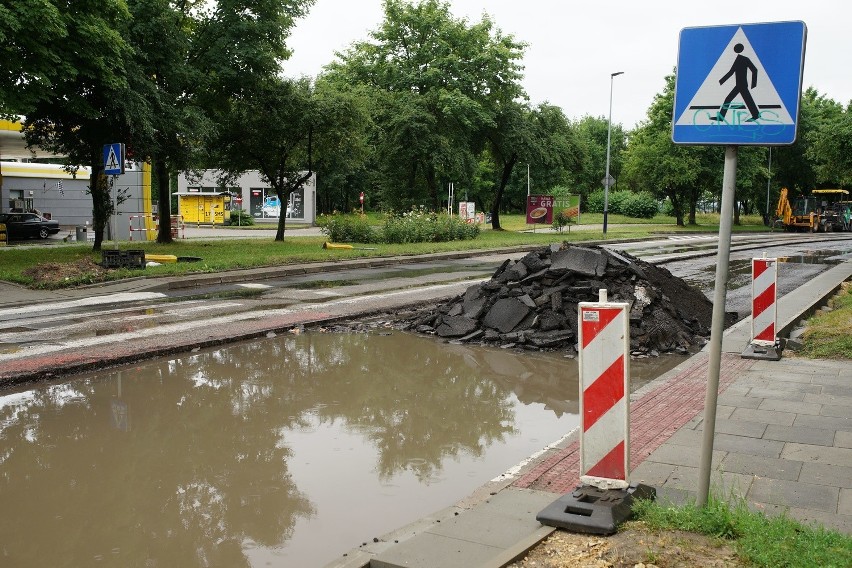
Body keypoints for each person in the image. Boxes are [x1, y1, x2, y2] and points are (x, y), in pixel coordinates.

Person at [712, 43, 760, 122]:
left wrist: (753, 84)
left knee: (732, 99)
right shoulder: (738, 59)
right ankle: (756, 114)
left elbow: (754, 70)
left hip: (742, 85)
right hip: (739, 85)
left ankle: (756, 115)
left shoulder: (744, 59)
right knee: (745, 100)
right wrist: (721, 81)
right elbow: (731, 72)